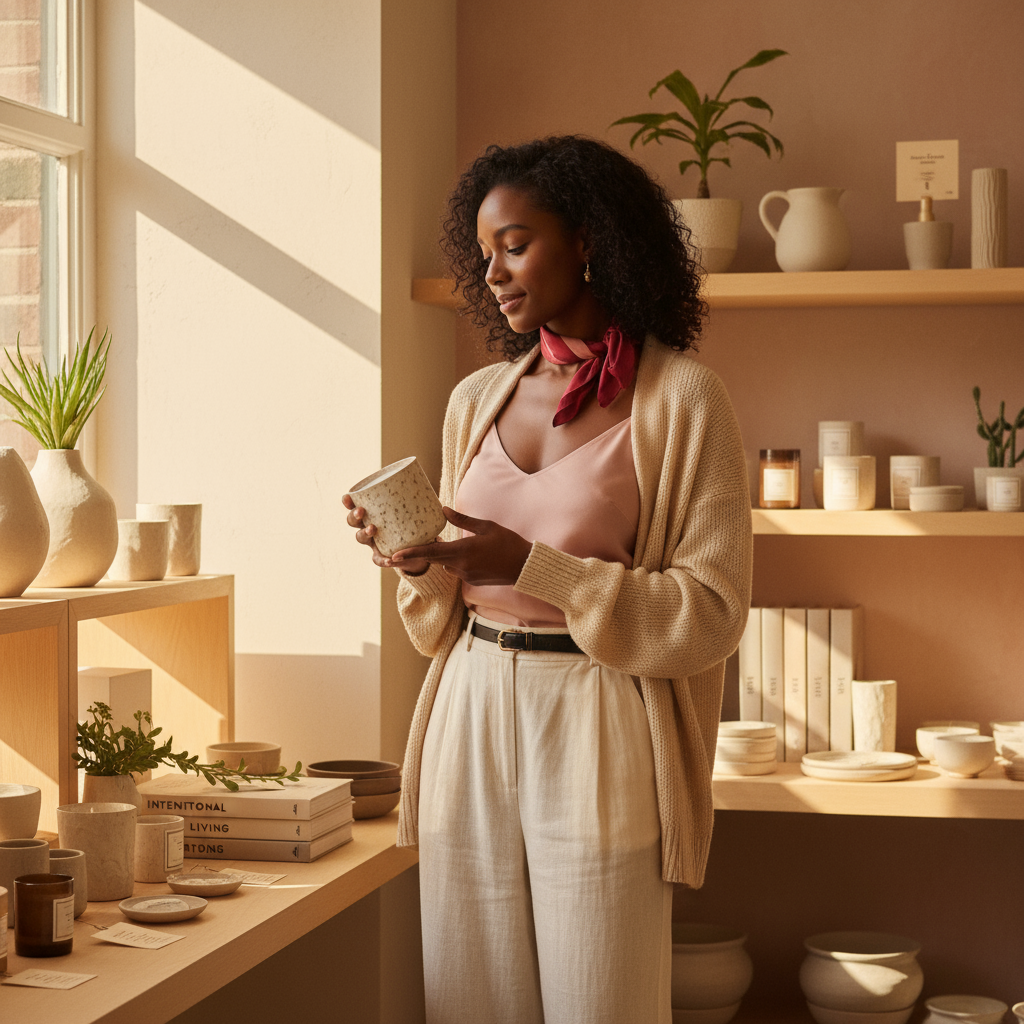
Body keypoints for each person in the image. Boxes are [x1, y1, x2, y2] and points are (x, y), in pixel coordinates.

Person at [343, 135, 752, 1024]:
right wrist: (416, 559)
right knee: (469, 994)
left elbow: (710, 613)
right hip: (471, 701)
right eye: (484, 253)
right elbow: (435, 621)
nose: (492, 273)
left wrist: (531, 566)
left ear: (590, 240)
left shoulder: (685, 400)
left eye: (516, 245)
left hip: (599, 708)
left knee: (601, 996)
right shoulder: (474, 398)